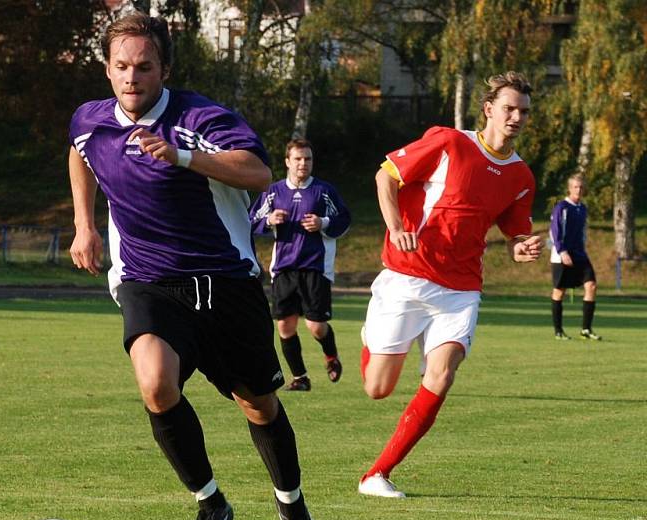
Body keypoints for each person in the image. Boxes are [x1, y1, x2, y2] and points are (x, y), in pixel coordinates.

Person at [67, 13, 320, 520]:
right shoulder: (91, 120)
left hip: (225, 285)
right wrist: (85, 224)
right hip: (149, 283)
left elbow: (257, 172)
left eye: (144, 66)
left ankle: (291, 504)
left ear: (164, 69)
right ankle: (210, 504)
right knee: (155, 386)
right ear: (107, 69)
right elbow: (81, 153)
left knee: (258, 405)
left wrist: (180, 156)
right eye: (121, 67)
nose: (132, 77)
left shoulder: (201, 117)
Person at [358, 71, 543, 498]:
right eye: (510, 108)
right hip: (407, 277)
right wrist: (396, 226)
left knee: (442, 375)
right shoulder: (448, 141)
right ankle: (374, 333)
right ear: (489, 109)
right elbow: (386, 177)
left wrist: (521, 248)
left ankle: (377, 474)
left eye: (524, 112)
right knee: (377, 389)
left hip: (460, 290)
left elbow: (514, 235)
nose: (517, 117)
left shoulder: (521, 177)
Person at [250, 139, 351, 392]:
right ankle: (300, 377)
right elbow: (251, 220)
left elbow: (344, 219)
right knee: (285, 325)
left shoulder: (323, 191)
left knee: (316, 326)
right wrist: (270, 220)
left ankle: (331, 356)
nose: (303, 163)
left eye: (307, 159)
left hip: (315, 267)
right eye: (298, 158)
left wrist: (323, 222)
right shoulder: (273, 192)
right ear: (287, 162)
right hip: (283, 268)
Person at [550, 173, 601, 340]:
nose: (578, 190)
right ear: (569, 188)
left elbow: (582, 232)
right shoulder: (561, 208)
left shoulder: (582, 208)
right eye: (575, 187)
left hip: (580, 255)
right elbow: (555, 231)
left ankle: (586, 329)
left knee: (591, 285)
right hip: (562, 255)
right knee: (559, 292)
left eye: (581, 187)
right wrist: (562, 251)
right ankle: (558, 331)